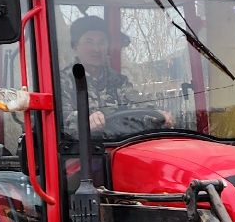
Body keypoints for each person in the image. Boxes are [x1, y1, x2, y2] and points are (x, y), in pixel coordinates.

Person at [57, 14, 168, 142]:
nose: (96, 49)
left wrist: (156, 115)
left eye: (102, 42)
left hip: (119, 147)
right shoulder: (63, 81)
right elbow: (59, 120)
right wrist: (84, 120)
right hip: (80, 153)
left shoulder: (118, 81)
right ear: (75, 46)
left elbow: (138, 105)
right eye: (89, 42)